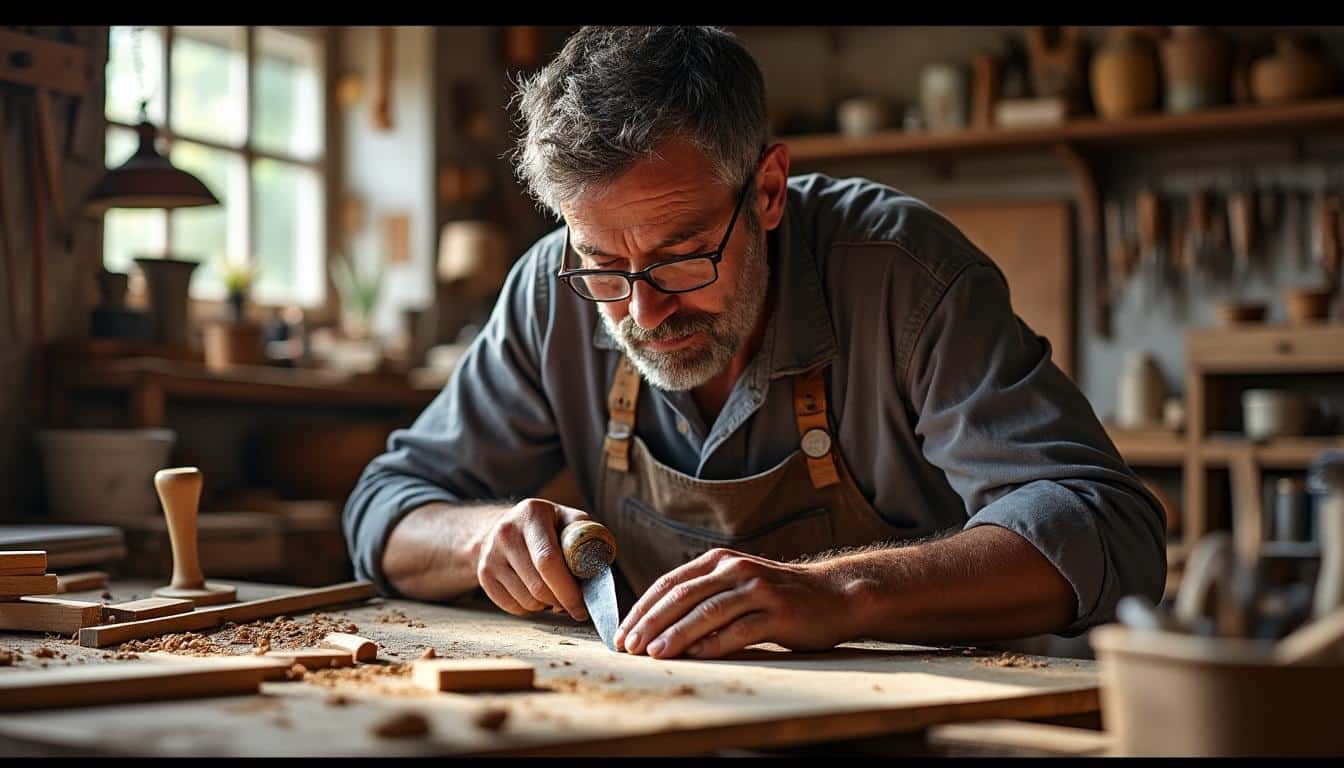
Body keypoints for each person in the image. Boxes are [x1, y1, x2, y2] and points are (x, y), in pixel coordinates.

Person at [344, 26, 1166, 660]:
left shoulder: (904, 275)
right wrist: (479, 538)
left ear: (767, 190)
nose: (644, 312)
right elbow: (384, 508)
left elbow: (1109, 528)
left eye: (681, 256)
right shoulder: (547, 291)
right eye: (602, 263)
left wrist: (843, 592)